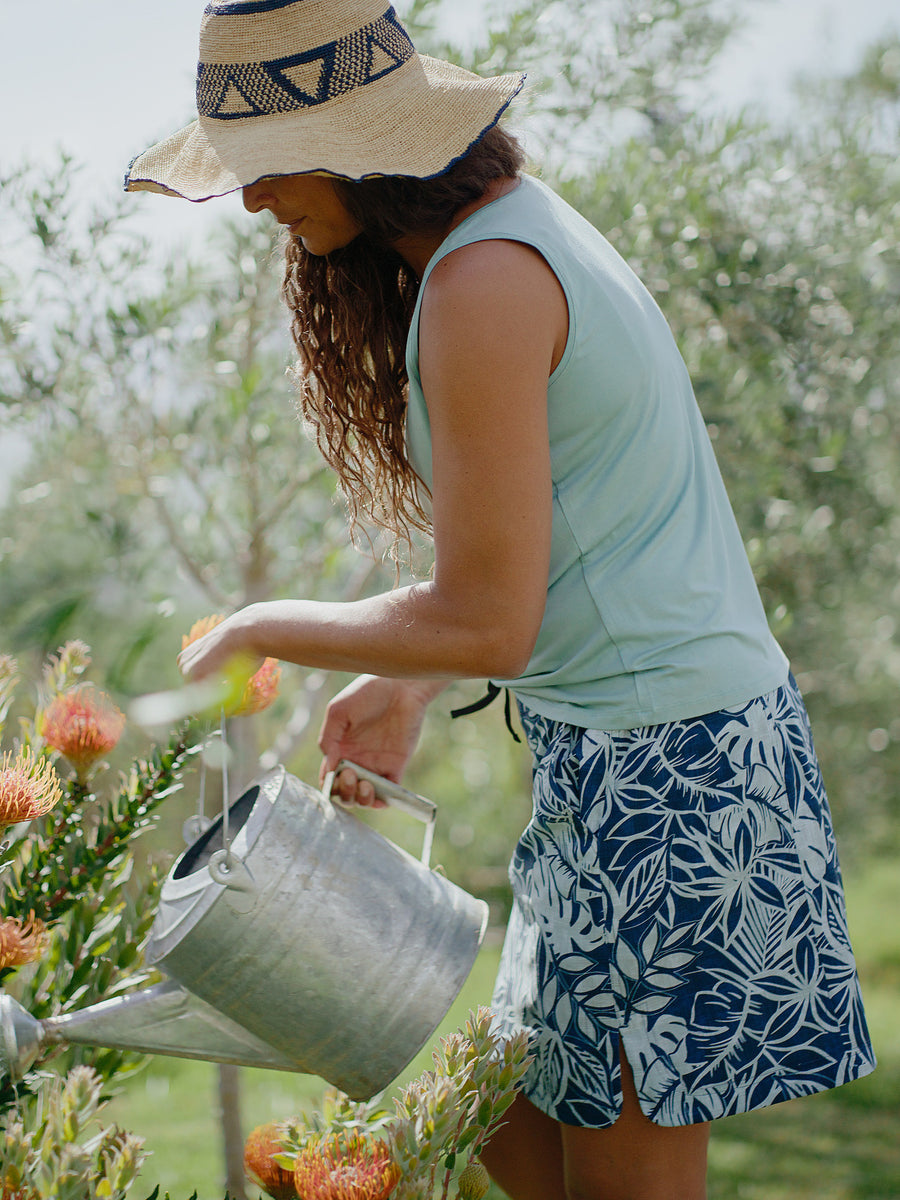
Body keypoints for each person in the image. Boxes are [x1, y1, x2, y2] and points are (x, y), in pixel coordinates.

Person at [126, 2, 876, 1197]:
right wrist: (406, 675)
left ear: (360, 138)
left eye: (267, 169)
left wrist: (264, 629)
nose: (256, 202)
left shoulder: (484, 283)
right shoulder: (508, 238)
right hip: (637, 762)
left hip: (670, 789)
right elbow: (566, 550)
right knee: (500, 1138)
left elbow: (493, 621)